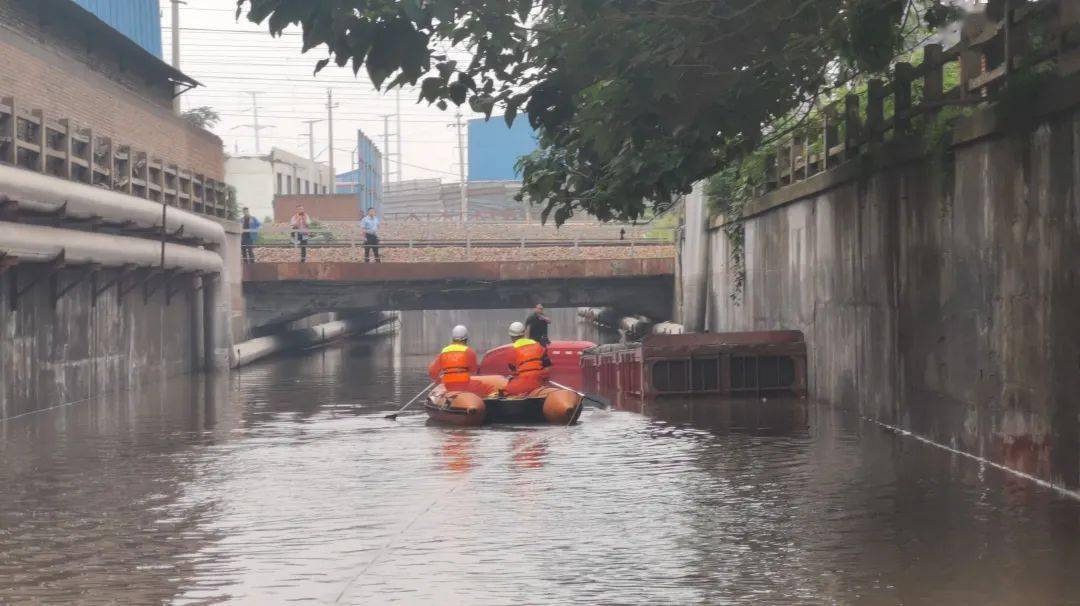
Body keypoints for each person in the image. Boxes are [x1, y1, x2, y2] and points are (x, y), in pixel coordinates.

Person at [428, 325, 485, 395]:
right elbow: (474, 372)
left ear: (453, 338)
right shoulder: (469, 352)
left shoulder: (444, 351)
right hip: (465, 385)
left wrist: (439, 381)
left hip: (448, 385)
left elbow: (432, 371)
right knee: (480, 384)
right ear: (466, 339)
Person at [502, 321, 551, 397]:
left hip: (524, 381)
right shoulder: (538, 345)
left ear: (511, 336)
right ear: (524, 333)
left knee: (505, 392)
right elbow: (548, 366)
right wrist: (543, 380)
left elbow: (513, 372)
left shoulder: (512, 350)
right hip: (539, 380)